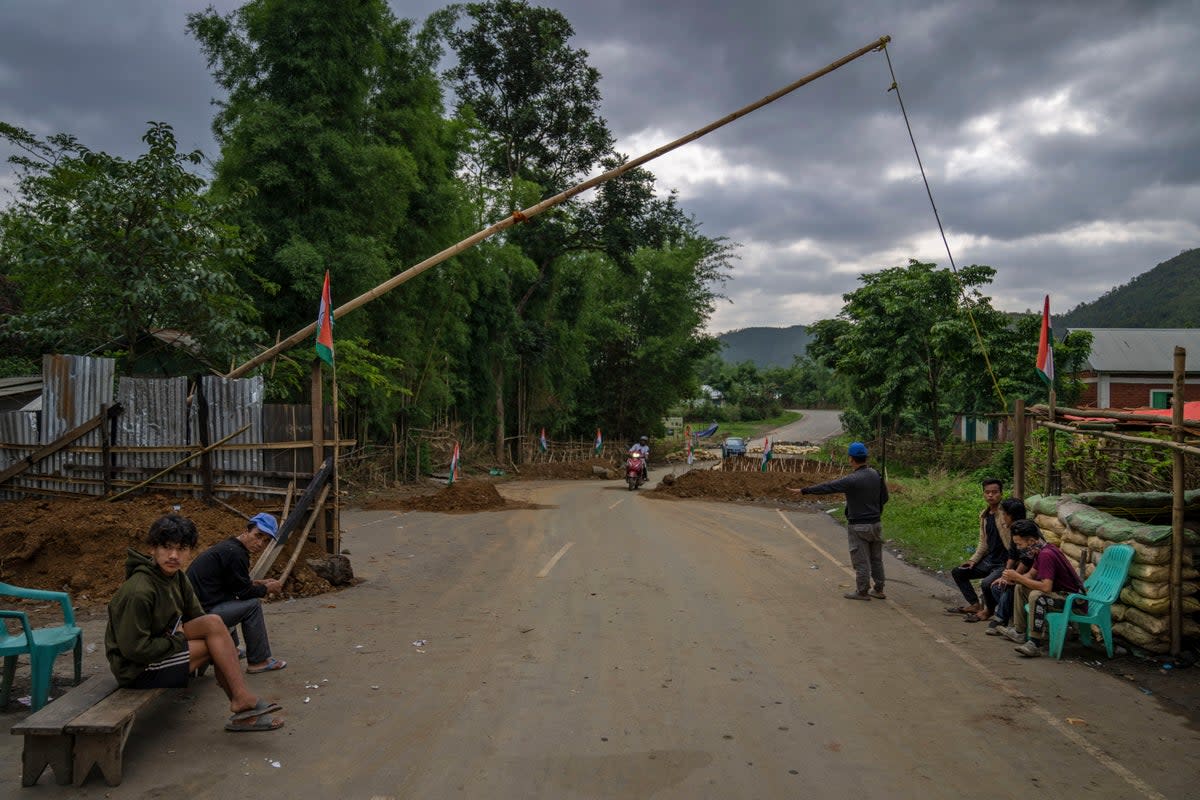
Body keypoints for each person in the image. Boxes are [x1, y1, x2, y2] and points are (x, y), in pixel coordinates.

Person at [105, 514, 283, 732]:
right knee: (215, 644)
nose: (173, 556)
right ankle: (242, 703)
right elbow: (135, 650)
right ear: (152, 548)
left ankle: (241, 701)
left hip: (163, 642)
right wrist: (179, 639)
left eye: (181, 549)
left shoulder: (176, 578)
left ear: (190, 551)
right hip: (136, 669)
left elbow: (200, 618)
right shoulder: (139, 591)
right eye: (167, 548)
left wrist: (202, 638)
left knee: (214, 625)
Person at [186, 512, 287, 674]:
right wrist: (267, 588)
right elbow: (244, 593)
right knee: (252, 605)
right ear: (247, 531)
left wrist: (259, 583)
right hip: (202, 614)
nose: (260, 543)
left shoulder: (230, 547)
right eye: (258, 535)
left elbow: (235, 584)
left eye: (266, 540)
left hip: (200, 608)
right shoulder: (236, 554)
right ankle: (259, 661)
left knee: (234, 604)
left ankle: (230, 649)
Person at [790, 441, 888, 600]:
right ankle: (879, 589)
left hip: (859, 526)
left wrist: (804, 491)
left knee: (861, 560)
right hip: (876, 524)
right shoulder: (876, 475)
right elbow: (885, 498)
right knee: (876, 559)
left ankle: (862, 591)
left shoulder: (852, 479)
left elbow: (828, 487)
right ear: (865, 457)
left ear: (851, 459)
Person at [996, 518, 1085, 658]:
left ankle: (1034, 643)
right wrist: (1014, 579)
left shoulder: (1046, 555)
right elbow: (1031, 575)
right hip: (1058, 595)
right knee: (1020, 587)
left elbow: (1046, 587)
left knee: (1037, 596)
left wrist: (1019, 577)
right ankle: (1019, 632)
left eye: (1019, 544)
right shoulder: (1041, 549)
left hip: (1071, 600)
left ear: (1031, 541)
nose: (1018, 548)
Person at [946, 478, 1010, 617]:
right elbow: (983, 542)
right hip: (989, 560)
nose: (991, 495)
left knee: (986, 583)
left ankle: (989, 611)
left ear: (1001, 493)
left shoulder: (1006, 514)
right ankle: (975, 604)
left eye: (994, 492)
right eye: (987, 492)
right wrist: (973, 560)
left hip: (1004, 562)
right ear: (983, 494)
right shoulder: (984, 515)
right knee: (959, 572)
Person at [981, 498, 1032, 632]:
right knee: (996, 586)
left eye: (1004, 514)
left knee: (1009, 587)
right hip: (1021, 572)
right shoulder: (1014, 529)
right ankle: (1010, 617)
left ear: (1011, 515)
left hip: (1032, 574)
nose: (1002, 518)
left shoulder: (1025, 529)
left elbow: (1027, 560)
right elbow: (1012, 556)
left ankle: (1000, 619)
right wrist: (1005, 574)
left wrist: (1011, 577)